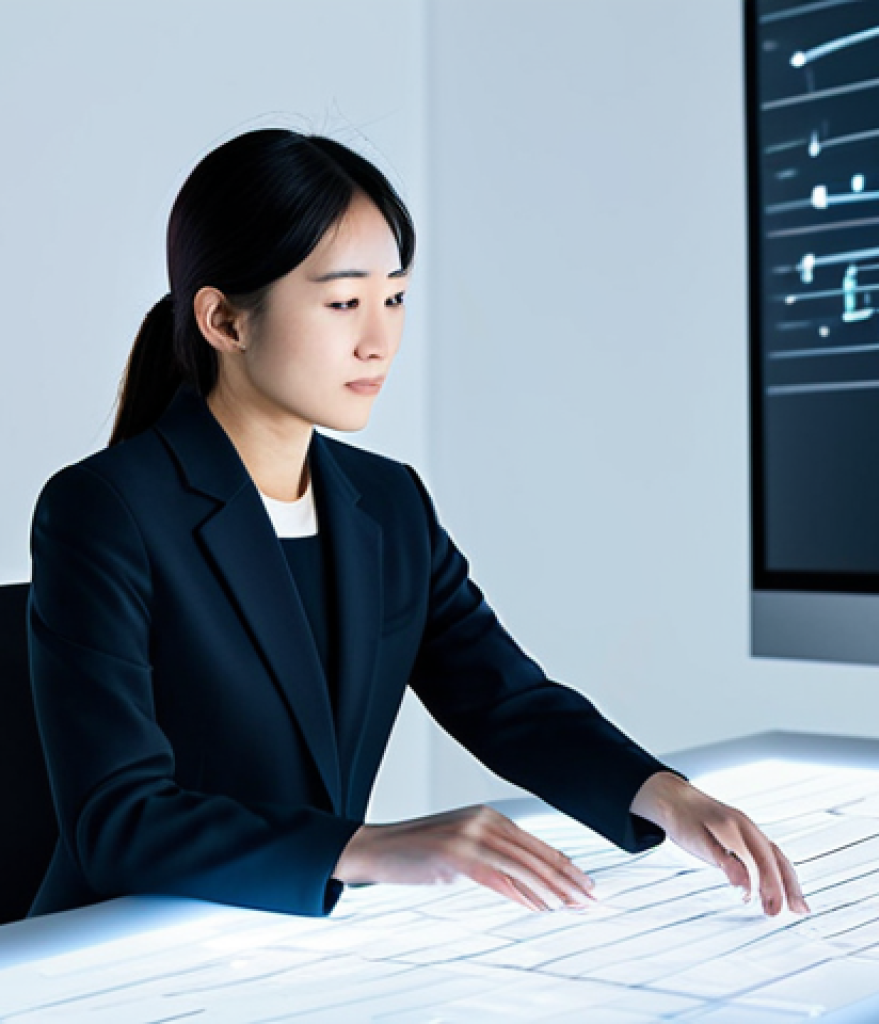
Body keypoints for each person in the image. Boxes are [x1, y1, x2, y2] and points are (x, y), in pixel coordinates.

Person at [26, 128, 809, 921]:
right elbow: (117, 822)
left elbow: (505, 701)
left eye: (394, 297)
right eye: (342, 303)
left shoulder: (388, 503)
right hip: (117, 942)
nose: (379, 341)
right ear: (225, 321)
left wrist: (666, 797)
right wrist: (366, 848)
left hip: (287, 944)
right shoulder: (105, 510)